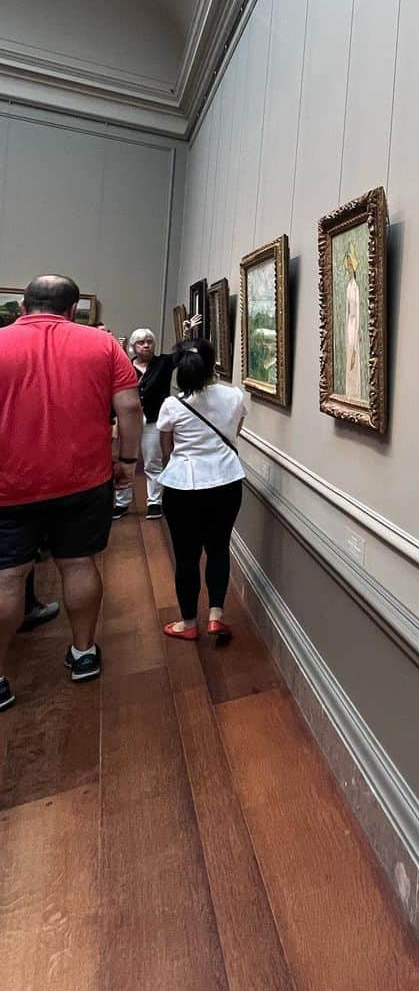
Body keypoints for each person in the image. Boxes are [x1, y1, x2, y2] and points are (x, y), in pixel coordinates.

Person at [0, 276, 141, 710]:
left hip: (9, 484)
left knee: (7, 577)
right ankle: (83, 654)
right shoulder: (102, 345)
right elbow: (131, 408)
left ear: (23, 306)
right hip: (83, 479)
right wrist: (128, 464)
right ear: (74, 307)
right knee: (79, 564)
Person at [157, 338, 248, 641]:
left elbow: (166, 451)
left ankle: (188, 623)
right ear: (213, 365)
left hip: (183, 486)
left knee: (186, 556)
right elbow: (235, 432)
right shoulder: (234, 397)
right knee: (219, 548)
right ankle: (216, 616)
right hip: (226, 482)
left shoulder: (172, 405)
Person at [114, 328, 174, 521]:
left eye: (149, 341)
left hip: (153, 420)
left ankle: (154, 502)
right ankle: (122, 503)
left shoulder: (163, 363)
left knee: (152, 462)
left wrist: (188, 333)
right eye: (141, 342)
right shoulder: (125, 365)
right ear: (133, 347)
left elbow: (181, 355)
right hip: (129, 421)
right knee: (126, 461)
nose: (146, 345)